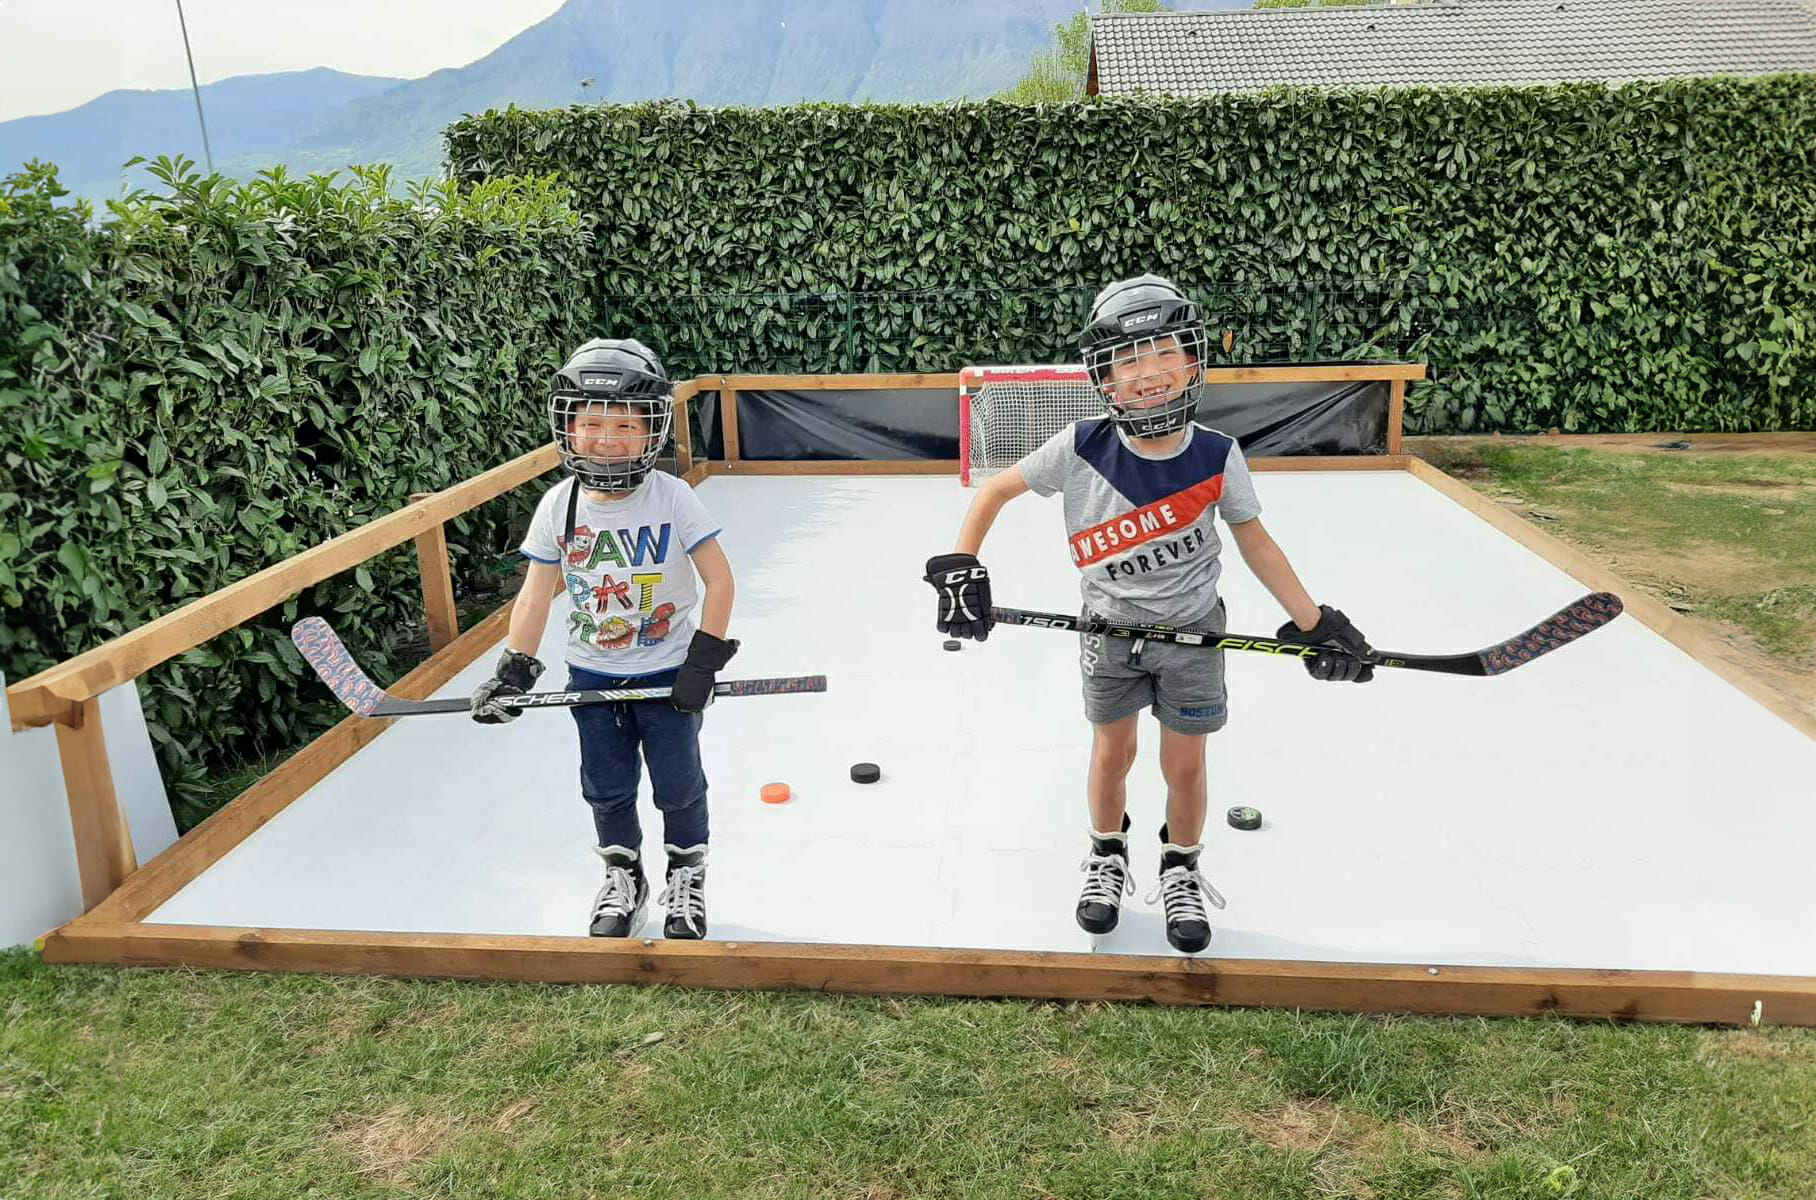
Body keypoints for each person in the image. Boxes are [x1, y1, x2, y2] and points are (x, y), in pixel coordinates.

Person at [923, 275, 1373, 953]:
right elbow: (995, 491)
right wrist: (961, 565)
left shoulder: (1217, 454)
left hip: (1194, 638)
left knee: (1186, 767)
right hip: (1107, 639)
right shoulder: (1081, 447)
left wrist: (1312, 623)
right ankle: (1106, 857)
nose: (1149, 372)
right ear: (1105, 378)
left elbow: (1254, 540)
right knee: (1112, 755)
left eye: (1165, 352)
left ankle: (1181, 868)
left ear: (1193, 360)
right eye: (1128, 360)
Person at [471, 338, 737, 940]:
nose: (606, 437)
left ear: (651, 431)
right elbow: (536, 594)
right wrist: (515, 668)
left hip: (668, 673)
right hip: (592, 675)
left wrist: (703, 663)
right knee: (607, 785)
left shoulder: (672, 497)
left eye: (624, 423)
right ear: (567, 425)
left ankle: (686, 876)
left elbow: (720, 581)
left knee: (680, 783)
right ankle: (624, 876)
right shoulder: (558, 504)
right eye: (591, 422)